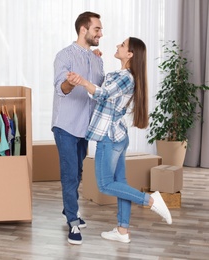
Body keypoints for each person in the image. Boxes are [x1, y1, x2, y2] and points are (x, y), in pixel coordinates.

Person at [69, 37, 172, 243]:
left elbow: (103, 93)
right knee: (120, 182)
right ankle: (123, 231)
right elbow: (102, 94)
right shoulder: (123, 75)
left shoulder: (126, 77)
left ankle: (151, 200)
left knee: (105, 185)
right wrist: (94, 60)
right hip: (117, 135)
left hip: (109, 137)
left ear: (130, 54)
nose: (117, 45)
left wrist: (81, 81)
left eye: (122, 45)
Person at [52, 11, 104, 245]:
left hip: (85, 127)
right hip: (65, 125)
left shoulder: (96, 58)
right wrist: (69, 83)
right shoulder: (64, 56)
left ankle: (68, 210)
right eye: (97, 29)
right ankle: (73, 221)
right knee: (70, 174)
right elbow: (60, 89)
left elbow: (99, 90)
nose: (100, 33)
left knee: (78, 173)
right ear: (84, 30)